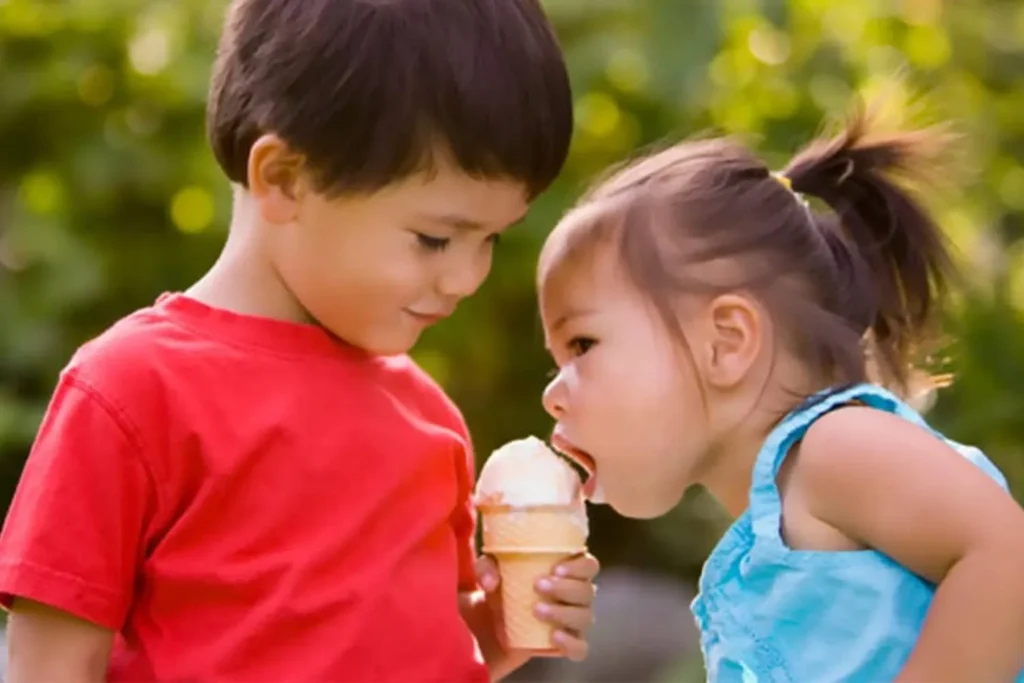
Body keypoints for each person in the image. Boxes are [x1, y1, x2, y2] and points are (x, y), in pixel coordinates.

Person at [0, 0, 599, 680]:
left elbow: (420, 647)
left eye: (490, 238)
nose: (467, 276)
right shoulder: (130, 390)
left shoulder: (430, 420)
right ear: (284, 179)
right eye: (435, 238)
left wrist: (499, 628)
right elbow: (45, 665)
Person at [537, 102, 1024, 682]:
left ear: (726, 342)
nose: (554, 395)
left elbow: (1007, 555)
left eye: (583, 346)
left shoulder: (835, 447)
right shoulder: (769, 532)